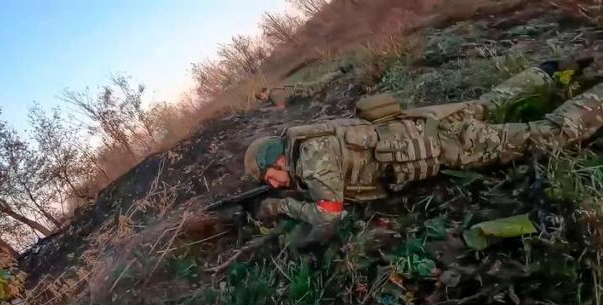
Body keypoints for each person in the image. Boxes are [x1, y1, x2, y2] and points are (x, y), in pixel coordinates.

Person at [243, 59, 603, 240]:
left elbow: (329, 216)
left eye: (269, 176)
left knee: (544, 134)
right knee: (489, 102)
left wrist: (280, 206)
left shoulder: (310, 161)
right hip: (427, 120)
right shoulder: (313, 139)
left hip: (448, 144)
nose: (274, 183)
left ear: (275, 159)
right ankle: (548, 71)